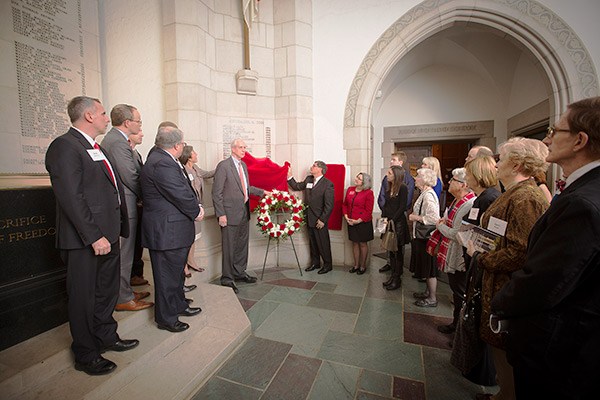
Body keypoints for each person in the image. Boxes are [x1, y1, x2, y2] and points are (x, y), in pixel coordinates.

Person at [491, 97, 600, 399]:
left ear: (580, 140)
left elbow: (545, 280)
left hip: (560, 345)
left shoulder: (583, 202)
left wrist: (500, 301)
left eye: (556, 130)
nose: (548, 138)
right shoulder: (581, 191)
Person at [45, 96, 138, 375]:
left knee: (105, 291)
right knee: (83, 296)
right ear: (87, 116)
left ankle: (106, 336)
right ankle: (86, 353)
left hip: (107, 235)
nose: (106, 118)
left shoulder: (95, 147)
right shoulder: (64, 146)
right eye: (101, 113)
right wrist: (94, 235)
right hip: (85, 239)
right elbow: (71, 197)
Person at [466, 137, 549, 400]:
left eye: (501, 158)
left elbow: (520, 252)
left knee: (508, 358)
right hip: (497, 283)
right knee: (500, 356)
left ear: (515, 164)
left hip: (506, 286)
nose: (496, 164)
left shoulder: (526, 197)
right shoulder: (515, 192)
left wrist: (480, 257)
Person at [141, 126, 203, 333]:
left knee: (175, 274)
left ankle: (178, 305)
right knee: (167, 277)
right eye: (183, 143)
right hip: (167, 232)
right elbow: (179, 193)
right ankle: (167, 318)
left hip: (173, 231)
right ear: (177, 145)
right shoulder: (161, 163)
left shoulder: (165, 159)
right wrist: (196, 211)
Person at [101, 104, 153, 312]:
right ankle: (122, 297)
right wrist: (148, 196)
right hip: (125, 207)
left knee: (127, 254)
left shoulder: (120, 141)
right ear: (127, 122)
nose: (140, 124)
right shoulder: (117, 142)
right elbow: (130, 176)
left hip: (130, 205)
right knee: (123, 254)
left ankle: (126, 291)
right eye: (138, 121)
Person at [212, 138, 269, 294]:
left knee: (242, 246)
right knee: (229, 247)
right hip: (229, 215)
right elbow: (217, 193)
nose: (244, 150)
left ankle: (239, 273)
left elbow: (246, 188)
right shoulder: (223, 166)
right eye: (241, 147)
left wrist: (262, 192)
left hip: (244, 212)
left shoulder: (243, 165)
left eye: (245, 147)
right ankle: (227, 278)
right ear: (233, 149)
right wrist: (221, 214)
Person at [429, 168, 475, 331]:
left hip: (459, 255)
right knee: (456, 292)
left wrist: (440, 225)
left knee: (460, 293)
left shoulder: (468, 204)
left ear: (463, 185)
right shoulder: (457, 201)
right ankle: (456, 324)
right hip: (451, 250)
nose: (449, 182)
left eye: (453, 180)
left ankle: (459, 328)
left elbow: (457, 234)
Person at [288, 161, 335, 274]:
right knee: (313, 242)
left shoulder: (328, 184)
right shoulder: (309, 179)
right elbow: (297, 186)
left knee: (323, 242)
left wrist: (323, 219)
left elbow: (329, 205)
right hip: (309, 216)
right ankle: (315, 263)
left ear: (320, 169)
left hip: (319, 219)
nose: (311, 167)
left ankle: (328, 264)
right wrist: (289, 176)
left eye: (314, 166)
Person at [179, 145, 215, 276]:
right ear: (189, 156)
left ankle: (191, 261)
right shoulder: (183, 170)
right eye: (194, 152)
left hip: (198, 208)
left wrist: (222, 167)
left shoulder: (195, 168)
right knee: (187, 239)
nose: (196, 154)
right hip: (190, 209)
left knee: (193, 238)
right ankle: (184, 267)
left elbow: (207, 174)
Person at [378, 151, 415, 273]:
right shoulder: (387, 179)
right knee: (388, 239)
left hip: (398, 215)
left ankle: (397, 271)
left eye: (393, 160)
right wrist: (385, 211)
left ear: (401, 162)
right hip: (387, 214)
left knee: (397, 244)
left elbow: (406, 201)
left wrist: (393, 216)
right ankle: (390, 263)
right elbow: (383, 195)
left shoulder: (407, 180)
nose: (391, 161)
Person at [408, 168, 440, 306]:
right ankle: (428, 292)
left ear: (425, 179)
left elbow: (434, 218)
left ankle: (432, 298)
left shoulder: (428, 195)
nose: (415, 178)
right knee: (427, 268)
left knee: (429, 268)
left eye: (418, 176)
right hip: (422, 236)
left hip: (426, 237)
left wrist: (416, 217)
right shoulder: (424, 193)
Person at [381, 166, 410, 290]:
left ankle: (397, 278)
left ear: (396, 175)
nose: (387, 175)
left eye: (389, 173)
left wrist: (392, 220)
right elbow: (386, 206)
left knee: (397, 252)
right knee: (390, 251)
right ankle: (392, 276)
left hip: (398, 224)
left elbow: (402, 207)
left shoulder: (403, 188)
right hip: (389, 223)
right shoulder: (389, 188)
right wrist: (383, 220)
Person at [127, 129, 149, 287]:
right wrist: (145, 195)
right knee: (130, 246)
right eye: (138, 131)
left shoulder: (137, 153)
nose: (142, 134)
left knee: (137, 244)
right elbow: (132, 178)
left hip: (140, 205)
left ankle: (136, 274)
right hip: (132, 204)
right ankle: (130, 278)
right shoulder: (123, 152)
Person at [343, 172, 375, 275]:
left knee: (362, 244)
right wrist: (346, 216)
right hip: (350, 221)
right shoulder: (350, 190)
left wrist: (359, 220)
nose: (356, 179)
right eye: (357, 177)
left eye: (359, 178)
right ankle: (356, 265)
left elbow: (368, 210)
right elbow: (345, 204)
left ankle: (363, 266)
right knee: (354, 243)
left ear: (364, 182)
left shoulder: (368, 193)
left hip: (363, 222)